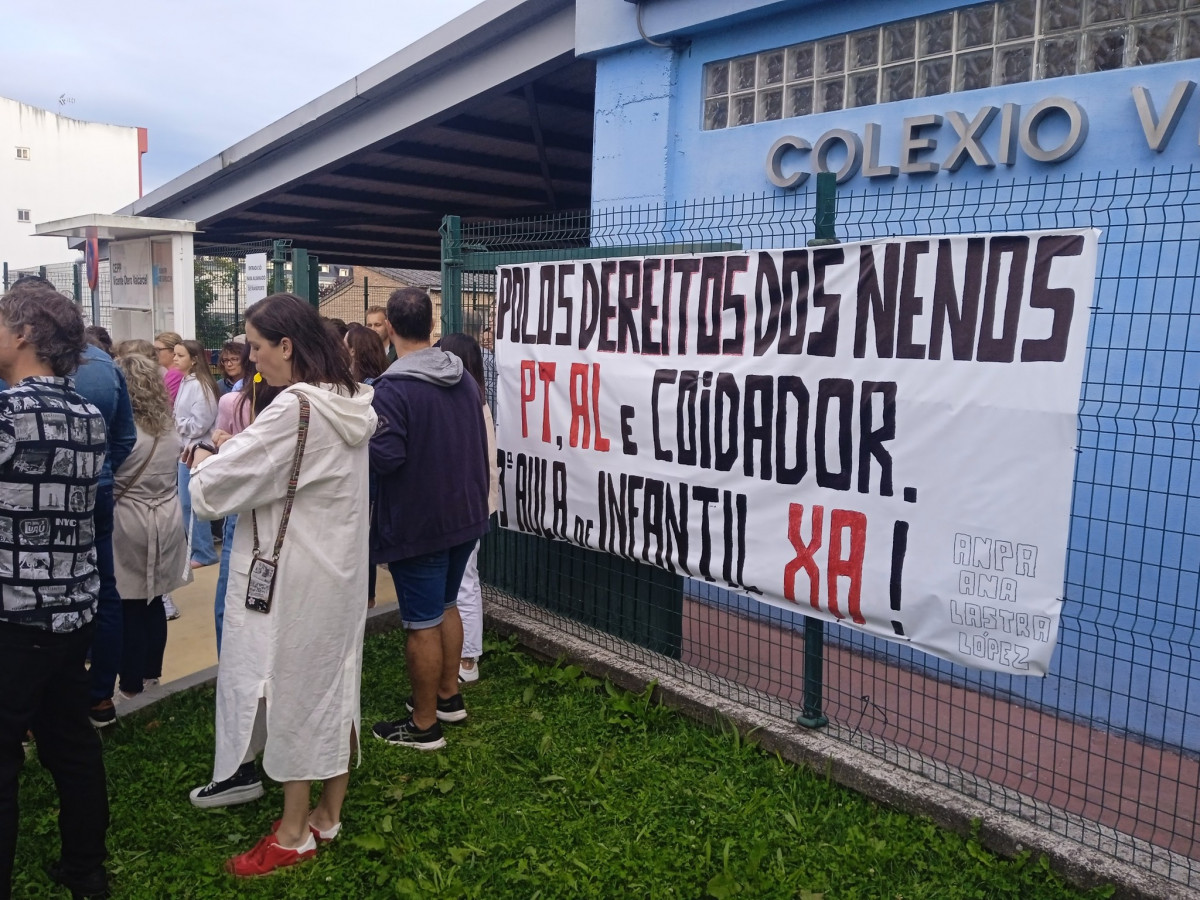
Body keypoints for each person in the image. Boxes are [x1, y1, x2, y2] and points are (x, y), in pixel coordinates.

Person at [186, 293, 376, 877]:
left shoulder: (296, 407)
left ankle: (294, 834)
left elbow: (209, 491)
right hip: (337, 570)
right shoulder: (348, 396)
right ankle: (327, 812)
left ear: (286, 346)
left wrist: (206, 453)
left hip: (296, 575)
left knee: (295, 690)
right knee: (336, 681)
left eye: (257, 346)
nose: (251, 358)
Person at [0, 282, 110, 900]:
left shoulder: (10, 414)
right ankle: (84, 869)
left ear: (23, 335)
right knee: (70, 742)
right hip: (73, 609)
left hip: (13, 617)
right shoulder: (87, 415)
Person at [370, 288, 490, 750]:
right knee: (446, 606)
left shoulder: (392, 388)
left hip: (419, 522)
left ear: (393, 329)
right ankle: (448, 696)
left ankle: (424, 725)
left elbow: (387, 458)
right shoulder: (463, 379)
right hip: (465, 515)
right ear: (431, 324)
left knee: (421, 621)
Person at [111, 354, 189, 700]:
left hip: (129, 519)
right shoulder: (168, 428)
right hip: (167, 516)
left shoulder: (123, 430)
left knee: (128, 605)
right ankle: (150, 676)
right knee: (154, 601)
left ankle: (129, 684)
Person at [208, 346, 281, 655]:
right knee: (235, 591)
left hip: (265, 505)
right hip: (247, 506)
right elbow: (217, 441)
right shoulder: (232, 402)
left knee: (247, 588)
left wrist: (228, 444)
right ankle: (232, 660)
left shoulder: (289, 403)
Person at [436, 333, 499, 684]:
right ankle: (459, 651)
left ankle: (468, 658)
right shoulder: (474, 398)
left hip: (468, 505)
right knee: (458, 581)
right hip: (469, 503)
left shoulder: (471, 403)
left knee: (464, 581)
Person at [344, 325, 388, 607]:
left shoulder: (369, 389)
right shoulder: (372, 383)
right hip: (367, 474)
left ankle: (366, 599)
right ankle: (366, 597)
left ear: (354, 352)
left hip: (368, 475)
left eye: (345, 346)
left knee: (363, 536)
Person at [172, 340, 220, 569]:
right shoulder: (187, 382)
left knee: (191, 503)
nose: (175, 359)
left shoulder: (201, 385)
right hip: (186, 450)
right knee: (186, 503)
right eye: (175, 354)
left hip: (197, 451)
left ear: (194, 359)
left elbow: (200, 423)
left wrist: (176, 423)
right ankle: (197, 549)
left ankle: (204, 551)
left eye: (180, 355)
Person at [153, 332, 185, 403]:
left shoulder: (175, 373)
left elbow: (164, 402)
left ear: (174, 351)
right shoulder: (173, 372)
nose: (154, 353)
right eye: (154, 350)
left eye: (158, 350)